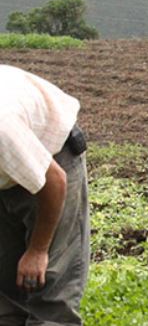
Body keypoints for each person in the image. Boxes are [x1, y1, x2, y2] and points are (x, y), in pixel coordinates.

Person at [0, 65, 90, 325]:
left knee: (51, 290)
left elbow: (54, 181)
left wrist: (38, 250)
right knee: (5, 286)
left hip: (53, 158)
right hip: (9, 169)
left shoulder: (3, 131)